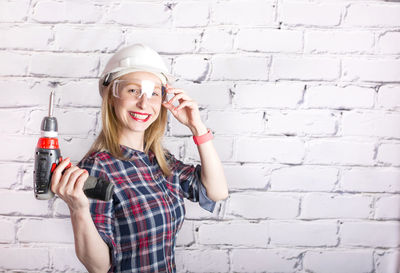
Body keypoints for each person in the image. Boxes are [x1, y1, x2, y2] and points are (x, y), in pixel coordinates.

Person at [50, 43, 229, 273]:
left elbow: (217, 192)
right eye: (133, 90)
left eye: (154, 93)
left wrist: (198, 127)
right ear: (112, 96)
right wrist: (78, 210)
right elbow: (99, 267)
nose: (144, 103)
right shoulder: (97, 168)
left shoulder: (160, 160)